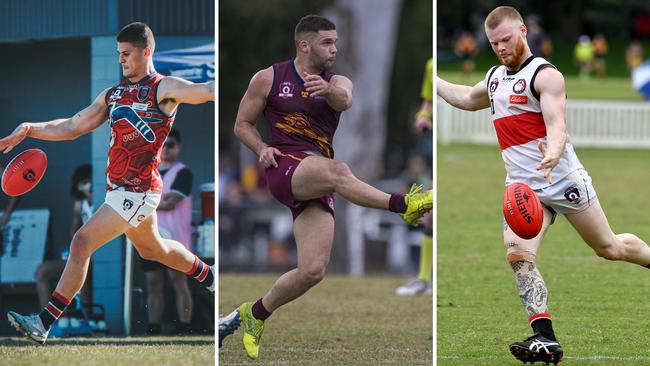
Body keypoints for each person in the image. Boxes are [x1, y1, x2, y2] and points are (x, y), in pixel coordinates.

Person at [437, 6, 650, 364]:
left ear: (522, 30)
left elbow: (556, 124)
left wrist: (552, 152)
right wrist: (433, 80)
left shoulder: (545, 75)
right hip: (523, 190)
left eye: (506, 39)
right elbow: (464, 98)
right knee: (518, 256)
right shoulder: (493, 78)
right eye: (494, 43)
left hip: (563, 180)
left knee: (609, 247)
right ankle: (545, 338)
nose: (501, 47)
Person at [218, 14, 432, 359]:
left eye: (335, 41)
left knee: (312, 270)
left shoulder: (339, 80)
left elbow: (344, 100)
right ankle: (404, 205)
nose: (334, 48)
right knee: (338, 171)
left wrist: (328, 89)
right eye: (327, 42)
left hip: (314, 173)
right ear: (305, 45)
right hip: (284, 166)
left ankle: (252, 315)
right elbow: (242, 124)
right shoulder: (269, 78)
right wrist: (261, 148)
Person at [1, 22, 215, 345]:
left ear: (147, 51)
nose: (121, 60)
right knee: (154, 249)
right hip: (120, 192)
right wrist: (30, 128)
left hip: (139, 192)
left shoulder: (164, 87)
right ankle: (210, 275)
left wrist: (227, 86)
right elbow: (73, 125)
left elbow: (208, 90)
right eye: (118, 54)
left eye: (127, 54)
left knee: (81, 243)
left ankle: (43, 323)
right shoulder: (113, 95)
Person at [138, 128, 195, 335]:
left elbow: (170, 203)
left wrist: (146, 202)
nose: (167, 150)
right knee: (153, 283)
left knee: (178, 282)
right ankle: (154, 327)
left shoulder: (183, 172)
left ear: (178, 147)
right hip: (148, 237)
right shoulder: (148, 173)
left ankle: (184, 327)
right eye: (163, 145)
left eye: (171, 145)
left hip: (176, 239)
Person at [396, 58, 433, 296]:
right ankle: (424, 280)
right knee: (431, 218)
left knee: (432, 214)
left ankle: (425, 279)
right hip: (435, 150)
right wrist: (422, 115)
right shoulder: (430, 65)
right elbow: (427, 102)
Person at [35, 164, 93, 309]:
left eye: (90, 180)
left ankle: (87, 314)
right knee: (42, 271)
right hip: (85, 252)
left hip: (101, 255)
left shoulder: (108, 201)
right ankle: (46, 321)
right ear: (78, 187)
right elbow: (73, 232)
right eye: (84, 183)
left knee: (83, 267)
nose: (89, 186)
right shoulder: (80, 204)